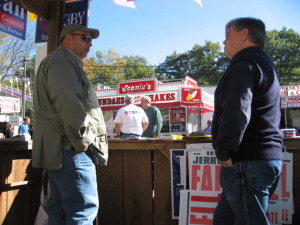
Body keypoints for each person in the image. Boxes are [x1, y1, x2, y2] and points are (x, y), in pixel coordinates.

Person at [32, 24, 108, 225]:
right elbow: (69, 102)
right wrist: (81, 140)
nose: (90, 44)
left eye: (91, 40)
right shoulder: (63, 61)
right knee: (82, 210)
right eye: (85, 38)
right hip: (71, 148)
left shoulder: (62, 61)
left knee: (59, 209)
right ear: (67, 38)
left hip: (60, 149)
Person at [212, 17, 283, 225]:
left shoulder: (243, 64)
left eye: (227, 36)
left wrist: (224, 152)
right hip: (262, 158)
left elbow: (237, 110)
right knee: (224, 219)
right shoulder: (264, 64)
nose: (223, 42)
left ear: (244, 34)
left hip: (246, 160)